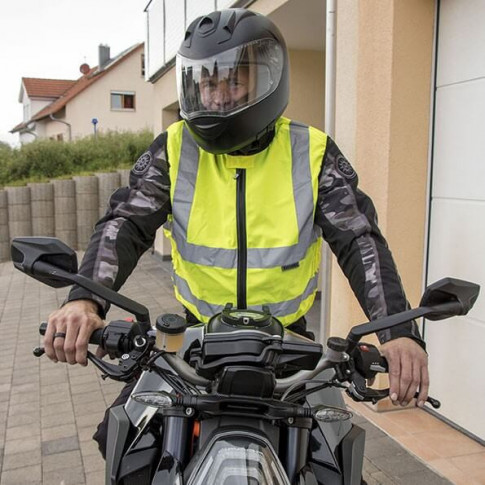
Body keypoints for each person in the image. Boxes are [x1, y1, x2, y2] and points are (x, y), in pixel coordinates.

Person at [44, 8, 428, 455]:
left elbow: (359, 238)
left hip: (289, 342)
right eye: (208, 82)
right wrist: (85, 300)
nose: (219, 96)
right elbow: (125, 223)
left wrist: (396, 330)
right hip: (192, 339)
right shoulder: (174, 149)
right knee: (123, 442)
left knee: (334, 455)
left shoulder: (311, 150)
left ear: (268, 79)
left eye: (233, 80)